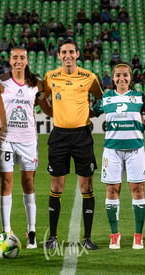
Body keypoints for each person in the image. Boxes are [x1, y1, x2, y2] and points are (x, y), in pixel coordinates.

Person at [43, 38, 103, 250]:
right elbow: (42, 97)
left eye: (71, 52)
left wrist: (91, 114)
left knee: (86, 186)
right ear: (58, 55)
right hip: (59, 136)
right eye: (64, 52)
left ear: (78, 54)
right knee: (56, 186)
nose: (68, 55)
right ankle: (52, 237)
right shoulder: (50, 76)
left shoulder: (89, 77)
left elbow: (101, 99)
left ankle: (87, 238)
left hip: (82, 136)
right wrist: (50, 112)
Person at [0, 47, 52, 249]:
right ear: (10, 59)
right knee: (6, 182)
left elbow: (47, 109)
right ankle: (6, 230)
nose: (18, 61)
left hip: (28, 141)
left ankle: (31, 230)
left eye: (22, 57)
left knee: (28, 182)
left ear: (27, 60)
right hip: (6, 139)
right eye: (15, 57)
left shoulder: (37, 83)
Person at [93, 63, 145, 250]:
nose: (122, 79)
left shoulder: (139, 97)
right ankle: (115, 235)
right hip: (112, 151)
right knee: (112, 191)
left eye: (125, 75)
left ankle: (138, 236)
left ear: (131, 78)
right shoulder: (106, 98)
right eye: (118, 75)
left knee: (138, 190)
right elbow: (89, 113)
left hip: (135, 150)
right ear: (112, 78)